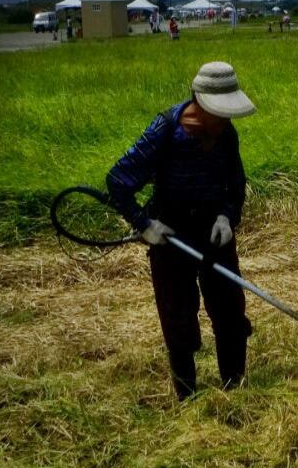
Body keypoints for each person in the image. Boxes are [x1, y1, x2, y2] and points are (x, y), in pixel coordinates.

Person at [106, 62, 256, 400]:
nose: (223, 121)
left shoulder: (227, 133)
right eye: (219, 113)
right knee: (177, 315)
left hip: (213, 233)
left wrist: (226, 216)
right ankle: (188, 398)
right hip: (170, 233)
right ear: (200, 103)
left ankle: (235, 389)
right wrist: (144, 224)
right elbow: (118, 181)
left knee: (230, 309)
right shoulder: (165, 130)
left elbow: (236, 183)